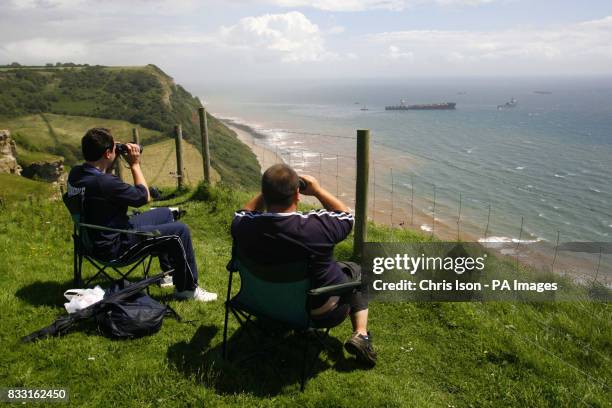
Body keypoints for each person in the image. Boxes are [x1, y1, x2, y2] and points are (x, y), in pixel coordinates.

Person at [230, 163, 377, 366]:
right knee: (358, 271)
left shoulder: (243, 226)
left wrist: (269, 192)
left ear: (265, 194)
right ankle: (361, 334)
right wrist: (317, 190)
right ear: (297, 195)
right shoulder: (316, 228)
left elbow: (243, 211)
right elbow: (345, 215)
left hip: (260, 302)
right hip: (316, 313)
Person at [67, 127, 217, 302]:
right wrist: (135, 164)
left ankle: (168, 275)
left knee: (165, 214)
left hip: (94, 239)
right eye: (113, 149)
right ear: (107, 153)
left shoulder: (76, 173)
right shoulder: (105, 182)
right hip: (115, 247)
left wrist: (111, 156)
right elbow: (144, 196)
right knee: (180, 230)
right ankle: (187, 290)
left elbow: (103, 177)